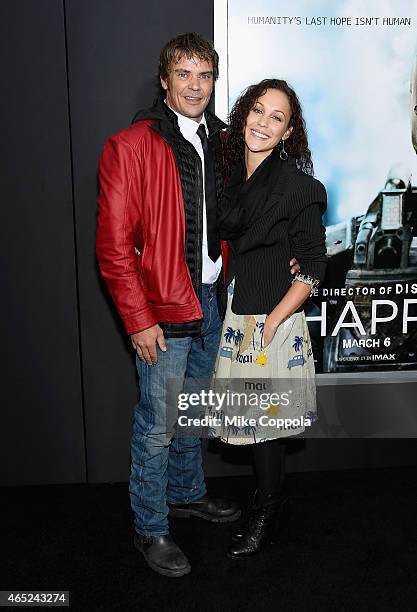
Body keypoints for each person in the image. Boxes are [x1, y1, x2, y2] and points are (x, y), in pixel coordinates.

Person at [96, 33, 299, 578]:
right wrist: (139, 319)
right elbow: (113, 249)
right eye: (183, 74)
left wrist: (295, 260)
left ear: (213, 81)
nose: (194, 85)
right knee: (157, 423)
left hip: (212, 300)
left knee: (194, 412)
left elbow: (253, 215)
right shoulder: (131, 145)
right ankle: (151, 526)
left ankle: (186, 494)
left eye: (203, 75)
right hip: (162, 305)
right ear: (165, 80)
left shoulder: (224, 142)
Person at [214, 78, 327, 559]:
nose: (262, 123)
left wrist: (275, 321)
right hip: (238, 312)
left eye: (275, 117)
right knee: (253, 423)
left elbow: (315, 268)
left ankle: (267, 512)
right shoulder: (229, 176)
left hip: (272, 321)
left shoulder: (300, 188)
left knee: (266, 428)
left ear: (288, 132)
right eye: (257, 111)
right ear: (244, 114)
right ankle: (268, 503)